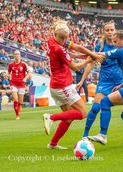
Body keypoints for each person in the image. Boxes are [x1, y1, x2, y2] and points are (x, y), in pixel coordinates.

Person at [42, 20, 101, 149]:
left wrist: (90, 54)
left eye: (66, 38)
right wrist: (88, 60)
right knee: (83, 113)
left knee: (68, 117)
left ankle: (53, 144)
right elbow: (75, 67)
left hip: (56, 86)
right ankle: (50, 117)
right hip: (63, 86)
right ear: (56, 33)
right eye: (62, 38)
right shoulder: (58, 49)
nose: (64, 40)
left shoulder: (53, 41)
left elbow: (75, 49)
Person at [76, 21, 123, 139]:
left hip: (121, 81)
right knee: (95, 108)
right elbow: (91, 64)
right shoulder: (100, 47)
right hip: (105, 81)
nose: (110, 32)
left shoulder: (120, 45)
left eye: (112, 30)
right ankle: (85, 135)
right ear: (103, 32)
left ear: (115, 31)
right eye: (107, 30)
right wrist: (82, 80)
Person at [8, 50, 31, 120]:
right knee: (15, 99)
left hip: (21, 84)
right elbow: (8, 73)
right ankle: (17, 115)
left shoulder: (24, 64)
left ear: (20, 55)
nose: (17, 55)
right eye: (15, 54)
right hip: (13, 83)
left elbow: (29, 73)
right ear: (14, 55)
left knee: (20, 102)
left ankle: (20, 106)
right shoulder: (11, 65)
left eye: (18, 54)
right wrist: (9, 76)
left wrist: (25, 78)